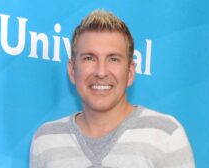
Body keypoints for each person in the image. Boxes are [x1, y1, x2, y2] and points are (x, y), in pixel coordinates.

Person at [30, 10, 195, 168]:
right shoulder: (45, 140)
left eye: (113, 59)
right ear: (72, 71)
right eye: (89, 58)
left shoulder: (166, 135)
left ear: (130, 72)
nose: (101, 72)